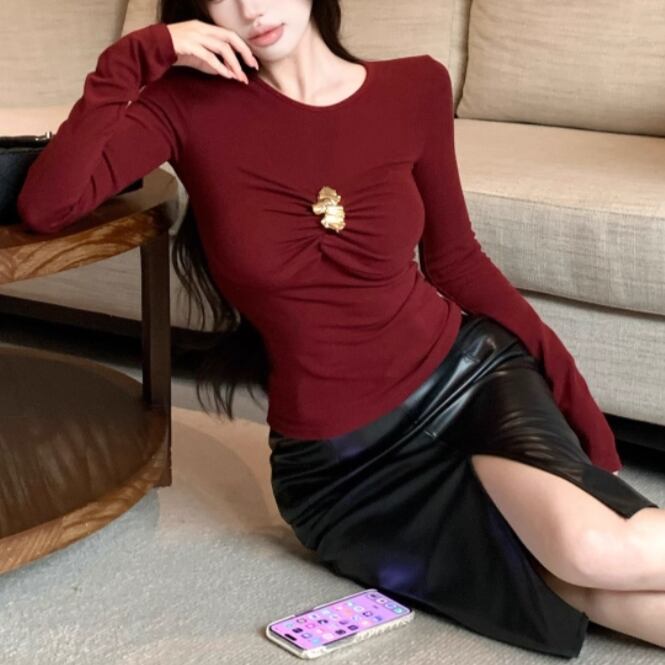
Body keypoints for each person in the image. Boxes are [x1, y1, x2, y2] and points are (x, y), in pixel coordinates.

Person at [15, 0, 664, 657]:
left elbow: (458, 263)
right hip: (344, 469)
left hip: (468, 381)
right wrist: (137, 54)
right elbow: (48, 204)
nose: (252, 7)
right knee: (568, 584)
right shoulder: (182, 106)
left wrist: (574, 399)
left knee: (589, 552)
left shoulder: (415, 86)